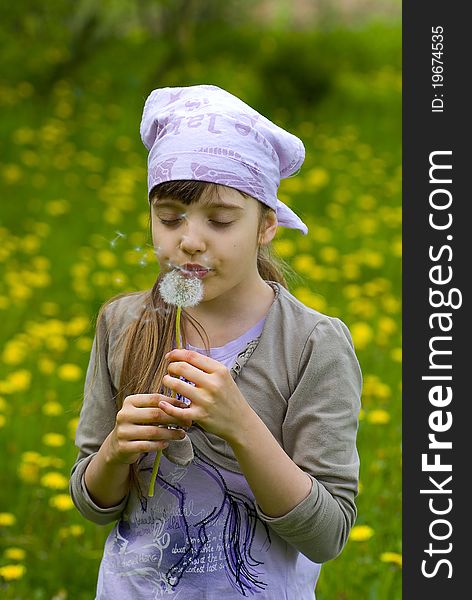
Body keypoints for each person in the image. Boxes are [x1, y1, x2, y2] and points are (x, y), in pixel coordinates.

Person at [69, 84, 362, 599]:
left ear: (266, 226)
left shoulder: (312, 344)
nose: (190, 240)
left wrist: (240, 424)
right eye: (169, 217)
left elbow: (327, 534)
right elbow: (94, 503)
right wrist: (116, 451)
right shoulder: (123, 324)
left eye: (221, 220)